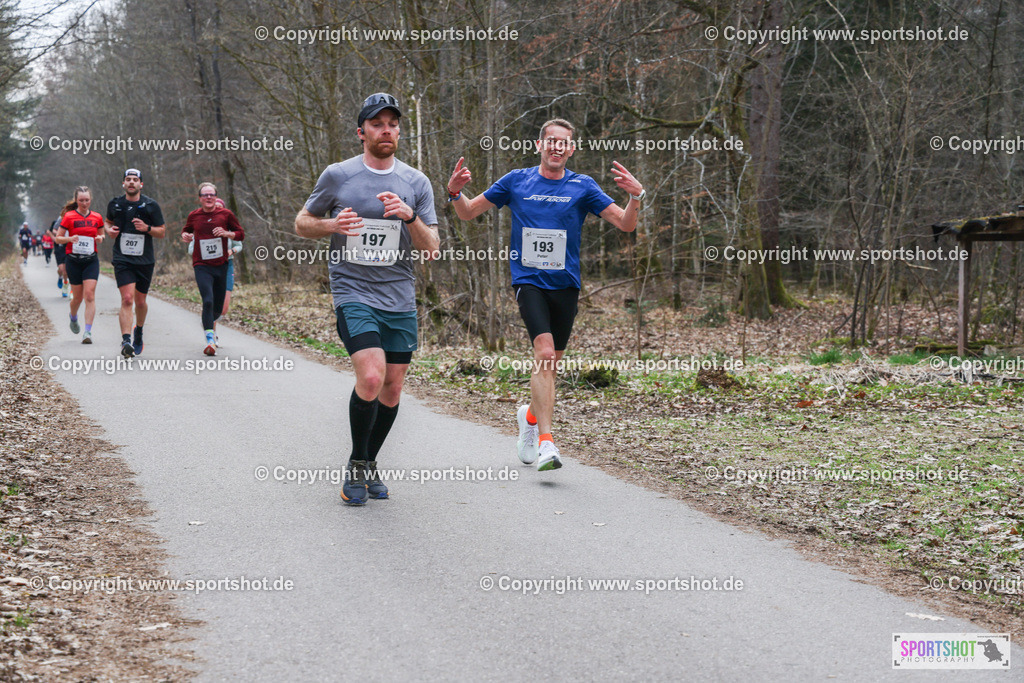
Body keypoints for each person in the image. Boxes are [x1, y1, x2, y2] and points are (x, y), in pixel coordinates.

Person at [446, 118, 644, 471]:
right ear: (539, 145)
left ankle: (530, 419)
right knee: (546, 353)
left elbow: (626, 224)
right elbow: (468, 213)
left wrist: (636, 197)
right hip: (529, 280)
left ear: (570, 149)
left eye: (562, 142)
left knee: (550, 366)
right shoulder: (516, 181)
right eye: (549, 140)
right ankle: (547, 443)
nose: (555, 147)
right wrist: (455, 193)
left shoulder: (583, 186)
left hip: (566, 284)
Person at [294, 92, 439, 506]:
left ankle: (366, 462)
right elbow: (302, 224)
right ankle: (358, 467)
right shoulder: (338, 176)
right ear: (362, 132)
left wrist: (409, 218)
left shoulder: (416, 182)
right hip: (352, 290)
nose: (386, 130)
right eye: (377, 124)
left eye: (393, 123)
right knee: (372, 377)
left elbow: (432, 247)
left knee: (392, 390)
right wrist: (331, 224)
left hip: (399, 297)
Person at [105, 168, 166, 357]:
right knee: (127, 299)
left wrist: (147, 228)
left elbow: (162, 232)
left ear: (141, 184)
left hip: (144, 259)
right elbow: (107, 222)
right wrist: (109, 231)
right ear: (123, 183)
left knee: (140, 302)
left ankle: (138, 330)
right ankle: (126, 341)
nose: (131, 182)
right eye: (128, 179)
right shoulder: (115, 204)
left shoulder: (150, 205)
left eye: (135, 179)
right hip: (122, 258)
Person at [181, 182, 244, 356]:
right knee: (207, 300)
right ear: (200, 198)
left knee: (217, 307)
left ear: (216, 197)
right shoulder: (194, 215)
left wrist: (227, 234)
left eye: (212, 195)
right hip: (201, 265)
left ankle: (208, 320)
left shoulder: (226, 214)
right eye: (205, 195)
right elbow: (186, 231)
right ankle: (210, 339)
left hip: (221, 264)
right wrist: (185, 236)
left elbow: (240, 234)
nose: (209, 198)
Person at [53, 187, 105, 344]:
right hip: (74, 261)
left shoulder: (97, 217)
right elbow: (58, 239)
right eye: (81, 200)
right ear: (76, 200)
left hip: (91, 260)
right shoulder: (69, 217)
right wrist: (69, 239)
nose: (84, 203)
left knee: (89, 295)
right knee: (77, 298)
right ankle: (73, 317)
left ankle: (87, 332)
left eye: (87, 200)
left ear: (91, 200)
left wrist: (101, 238)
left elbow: (101, 233)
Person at [50, 217, 69, 297]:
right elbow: (51, 231)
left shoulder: (73, 219)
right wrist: (59, 235)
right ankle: (60, 277)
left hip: (68, 247)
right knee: (61, 269)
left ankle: (65, 286)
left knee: (65, 271)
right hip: (59, 247)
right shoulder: (58, 220)